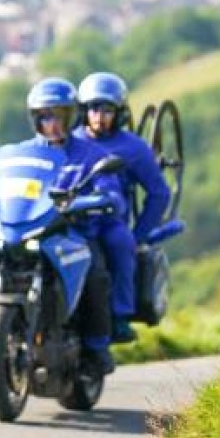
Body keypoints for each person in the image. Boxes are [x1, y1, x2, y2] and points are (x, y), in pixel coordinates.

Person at [23, 77, 123, 373]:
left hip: (75, 232)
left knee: (95, 274)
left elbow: (112, 192)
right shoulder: (26, 152)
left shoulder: (93, 154)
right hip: (34, 231)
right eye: (44, 116)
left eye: (59, 116)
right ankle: (1, 320)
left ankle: (97, 345)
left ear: (72, 116)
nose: (51, 123)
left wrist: (100, 200)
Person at [73, 71, 170, 344]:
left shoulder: (134, 148)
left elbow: (159, 193)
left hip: (109, 221)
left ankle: (119, 316)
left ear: (120, 113)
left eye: (107, 110)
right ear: (83, 111)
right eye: (93, 109)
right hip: (70, 218)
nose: (99, 116)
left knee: (121, 244)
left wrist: (139, 234)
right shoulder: (69, 141)